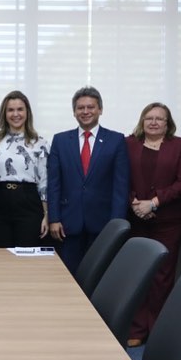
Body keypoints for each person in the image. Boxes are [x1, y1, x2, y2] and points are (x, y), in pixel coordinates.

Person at [125, 102, 181, 347]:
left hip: (167, 221)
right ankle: (137, 328)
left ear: (168, 123)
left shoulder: (180, 146)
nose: (153, 122)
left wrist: (153, 203)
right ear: (142, 121)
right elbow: (120, 177)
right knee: (137, 273)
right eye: (149, 118)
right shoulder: (128, 143)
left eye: (159, 119)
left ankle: (157, 329)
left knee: (162, 276)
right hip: (136, 221)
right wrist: (133, 202)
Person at [47, 86, 129, 273]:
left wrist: (116, 225)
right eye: (80, 108)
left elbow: (120, 186)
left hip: (103, 224)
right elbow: (54, 183)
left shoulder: (116, 140)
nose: (85, 112)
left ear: (100, 109)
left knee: (100, 276)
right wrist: (54, 218)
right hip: (67, 223)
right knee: (68, 276)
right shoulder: (60, 140)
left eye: (90, 107)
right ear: (74, 112)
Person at [0, 90, 49, 247]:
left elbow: (44, 181)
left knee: (26, 258)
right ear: (4, 114)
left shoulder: (40, 143)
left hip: (28, 203)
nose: (16, 114)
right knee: (0, 257)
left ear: (27, 112)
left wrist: (46, 215)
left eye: (20, 109)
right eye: (11, 110)